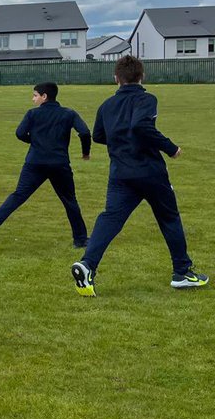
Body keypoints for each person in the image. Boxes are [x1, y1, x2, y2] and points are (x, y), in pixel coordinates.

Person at [71, 55, 207, 296]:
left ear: (116, 79)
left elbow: (99, 136)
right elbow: (141, 127)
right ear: (142, 76)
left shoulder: (107, 105)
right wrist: (171, 148)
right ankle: (182, 272)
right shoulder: (147, 99)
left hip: (120, 173)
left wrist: (120, 138)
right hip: (149, 171)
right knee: (169, 218)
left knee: (110, 218)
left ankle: (87, 264)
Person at [0, 82, 90, 247]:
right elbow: (85, 132)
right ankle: (80, 239)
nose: (33, 99)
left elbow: (20, 133)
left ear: (44, 96)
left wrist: (36, 141)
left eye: (35, 95)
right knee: (69, 200)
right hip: (59, 164)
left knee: (18, 195)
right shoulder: (68, 114)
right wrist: (85, 153)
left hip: (34, 163)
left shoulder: (32, 114)